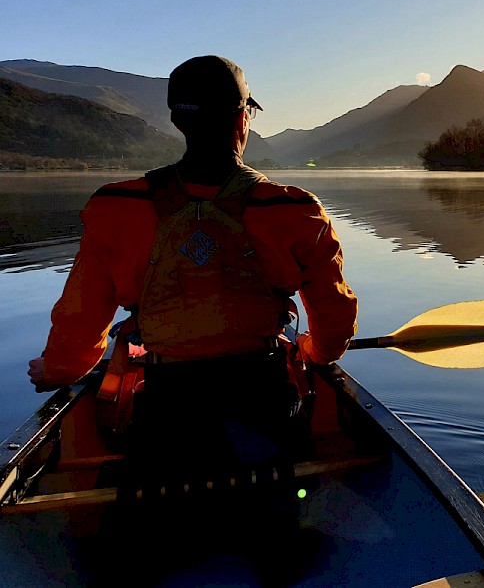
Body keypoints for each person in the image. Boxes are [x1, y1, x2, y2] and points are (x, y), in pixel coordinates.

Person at [27, 55, 358, 476]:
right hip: (263, 406)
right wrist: (314, 350)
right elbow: (335, 319)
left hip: (167, 411)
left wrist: (58, 369)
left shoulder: (116, 207)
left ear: (177, 123)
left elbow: (80, 319)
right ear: (243, 120)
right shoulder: (295, 209)